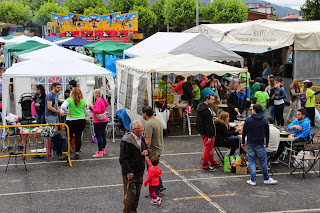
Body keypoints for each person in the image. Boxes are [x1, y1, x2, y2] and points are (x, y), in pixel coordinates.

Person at [241, 104, 277, 186]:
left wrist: (243, 142)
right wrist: (267, 143)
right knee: (263, 161)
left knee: (252, 161)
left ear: (253, 110)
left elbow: (244, 132)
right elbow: (267, 133)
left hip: (250, 142)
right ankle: (266, 178)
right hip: (260, 143)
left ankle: (253, 179)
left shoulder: (248, 120)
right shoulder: (264, 120)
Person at [119, 121, 149, 213]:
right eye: (141, 129)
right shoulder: (126, 141)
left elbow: (147, 148)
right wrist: (129, 171)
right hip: (130, 173)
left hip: (139, 171)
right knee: (131, 195)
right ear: (134, 130)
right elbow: (122, 159)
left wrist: (147, 151)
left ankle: (133, 211)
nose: (142, 130)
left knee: (137, 195)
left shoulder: (142, 138)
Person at [142, 106, 165, 196]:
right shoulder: (157, 119)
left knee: (151, 172)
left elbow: (148, 139)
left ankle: (156, 191)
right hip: (159, 148)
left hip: (153, 151)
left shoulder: (149, 124)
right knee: (155, 170)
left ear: (145, 113)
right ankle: (160, 186)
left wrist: (146, 151)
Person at [61, 88, 87, 160]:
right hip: (81, 120)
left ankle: (66, 152)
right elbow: (85, 111)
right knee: (78, 137)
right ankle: (77, 152)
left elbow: (63, 106)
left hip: (71, 120)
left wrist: (67, 112)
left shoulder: (69, 100)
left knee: (69, 136)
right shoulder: (83, 101)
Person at [196, 94, 220, 170]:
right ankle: (205, 164)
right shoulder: (206, 110)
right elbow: (208, 124)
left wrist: (211, 119)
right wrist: (210, 135)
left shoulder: (201, 107)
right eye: (212, 100)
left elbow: (204, 120)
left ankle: (212, 161)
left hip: (202, 131)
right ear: (207, 99)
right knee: (208, 148)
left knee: (209, 148)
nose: (213, 101)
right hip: (207, 132)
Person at [88, 89, 109, 157]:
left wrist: (92, 107)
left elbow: (98, 111)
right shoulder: (102, 100)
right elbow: (106, 105)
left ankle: (100, 152)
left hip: (99, 121)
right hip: (104, 119)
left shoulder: (98, 101)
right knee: (103, 135)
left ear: (96, 95)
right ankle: (103, 149)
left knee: (99, 136)